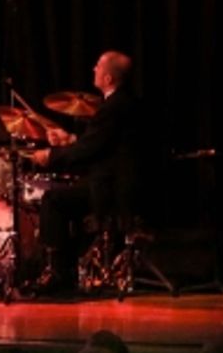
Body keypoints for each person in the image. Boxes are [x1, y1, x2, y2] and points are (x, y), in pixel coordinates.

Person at [30, 50, 141, 293]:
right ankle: (70, 268)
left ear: (109, 78)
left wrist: (51, 156)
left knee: (53, 199)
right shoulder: (123, 102)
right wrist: (69, 138)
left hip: (112, 188)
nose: (93, 69)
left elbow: (91, 149)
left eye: (98, 66)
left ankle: (58, 273)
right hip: (115, 182)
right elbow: (99, 142)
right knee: (64, 194)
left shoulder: (113, 107)